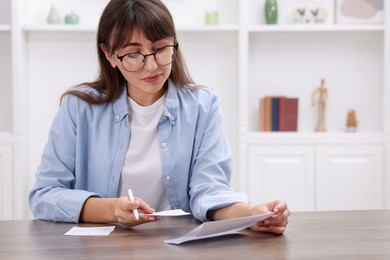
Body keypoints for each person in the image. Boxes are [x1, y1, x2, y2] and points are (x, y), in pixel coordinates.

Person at [29, 0, 289, 235]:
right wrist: (111, 210)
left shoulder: (202, 106)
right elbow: (45, 195)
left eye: (160, 48)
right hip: (101, 248)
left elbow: (209, 190)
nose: (151, 66)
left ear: (174, 45)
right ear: (110, 55)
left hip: (179, 245)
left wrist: (252, 214)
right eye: (133, 54)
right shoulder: (79, 107)